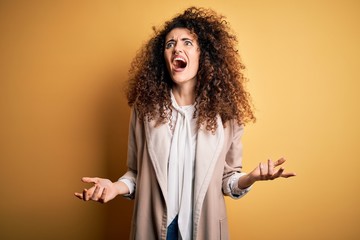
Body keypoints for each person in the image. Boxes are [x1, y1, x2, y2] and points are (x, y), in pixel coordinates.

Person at [74, 7, 296, 240]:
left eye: (187, 43)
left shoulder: (227, 116)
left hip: (204, 230)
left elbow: (227, 180)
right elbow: (137, 175)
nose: (176, 48)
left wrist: (252, 177)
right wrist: (114, 188)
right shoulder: (144, 110)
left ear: (204, 54)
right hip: (155, 229)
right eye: (170, 44)